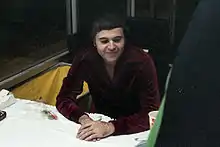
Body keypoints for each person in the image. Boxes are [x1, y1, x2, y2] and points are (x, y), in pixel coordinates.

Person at [56, 14, 160, 141]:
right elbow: (64, 98)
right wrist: (83, 119)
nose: (111, 46)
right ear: (94, 43)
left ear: (124, 40)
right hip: (98, 123)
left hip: (135, 129)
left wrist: (111, 127)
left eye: (117, 40)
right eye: (104, 41)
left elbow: (152, 112)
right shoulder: (85, 58)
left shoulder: (142, 61)